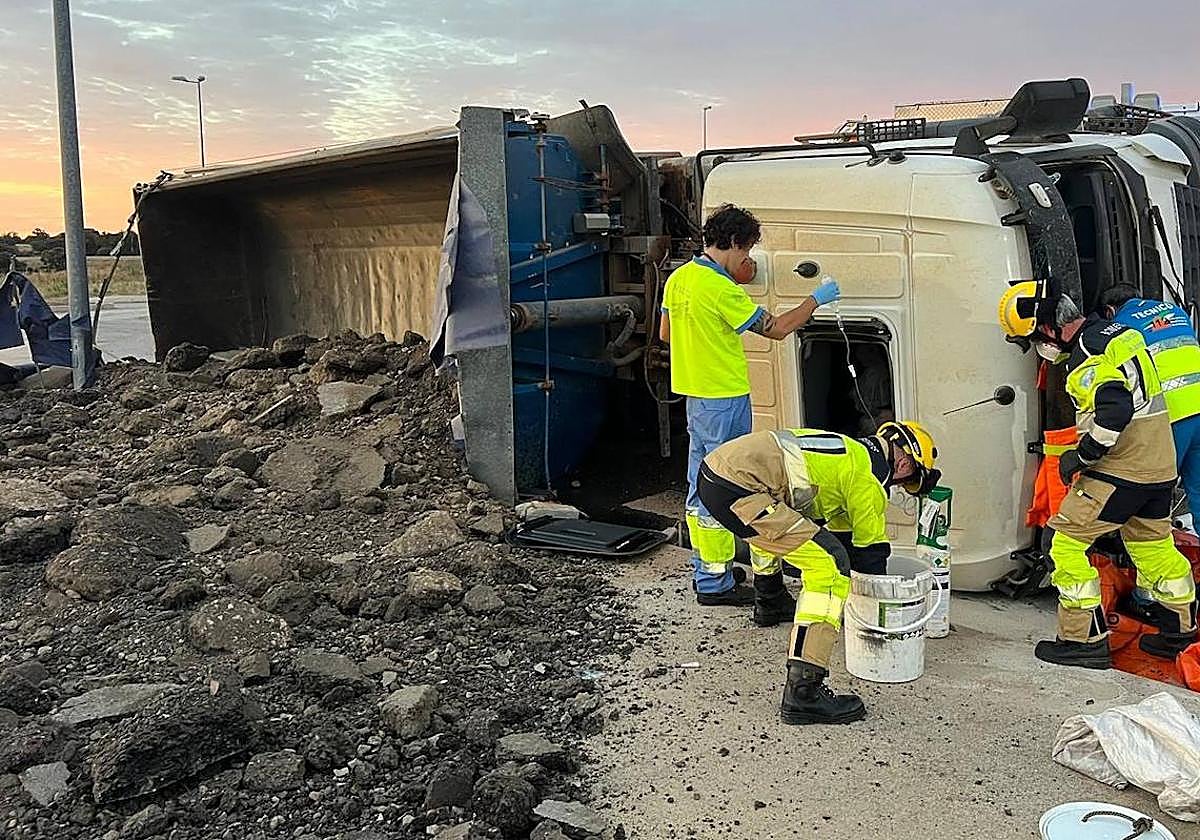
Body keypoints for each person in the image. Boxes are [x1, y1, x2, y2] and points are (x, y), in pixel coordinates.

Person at [998, 279, 1198, 667]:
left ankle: (1083, 641)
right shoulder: (1119, 334)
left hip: (1121, 471)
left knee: (1063, 542)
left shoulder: (1085, 355)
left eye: (1036, 338)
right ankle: (1179, 630)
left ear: (1047, 326)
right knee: (1152, 545)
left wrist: (1083, 455)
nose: (1040, 349)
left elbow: (1114, 408)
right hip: (1158, 468)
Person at [696, 421, 940, 724]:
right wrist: (877, 614)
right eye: (907, 480)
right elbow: (869, 554)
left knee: (787, 528)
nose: (899, 486)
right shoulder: (869, 479)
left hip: (719, 475)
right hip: (742, 487)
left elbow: (838, 534)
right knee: (829, 566)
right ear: (904, 462)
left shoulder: (851, 451)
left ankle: (770, 599)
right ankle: (804, 692)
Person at [660, 204, 840, 608]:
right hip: (724, 398)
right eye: (747, 250)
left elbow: (666, 333)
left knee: (700, 485)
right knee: (736, 486)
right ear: (734, 242)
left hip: (696, 397)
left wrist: (702, 344)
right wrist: (816, 300)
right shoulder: (720, 288)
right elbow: (775, 329)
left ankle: (710, 575)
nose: (748, 260)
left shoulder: (679, 278)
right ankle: (729, 586)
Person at [1101, 284, 1200, 533]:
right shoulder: (1174, 309)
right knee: (1199, 488)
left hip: (1173, 413)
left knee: (1154, 491)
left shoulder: (1119, 327)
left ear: (1110, 310)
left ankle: (1154, 555)